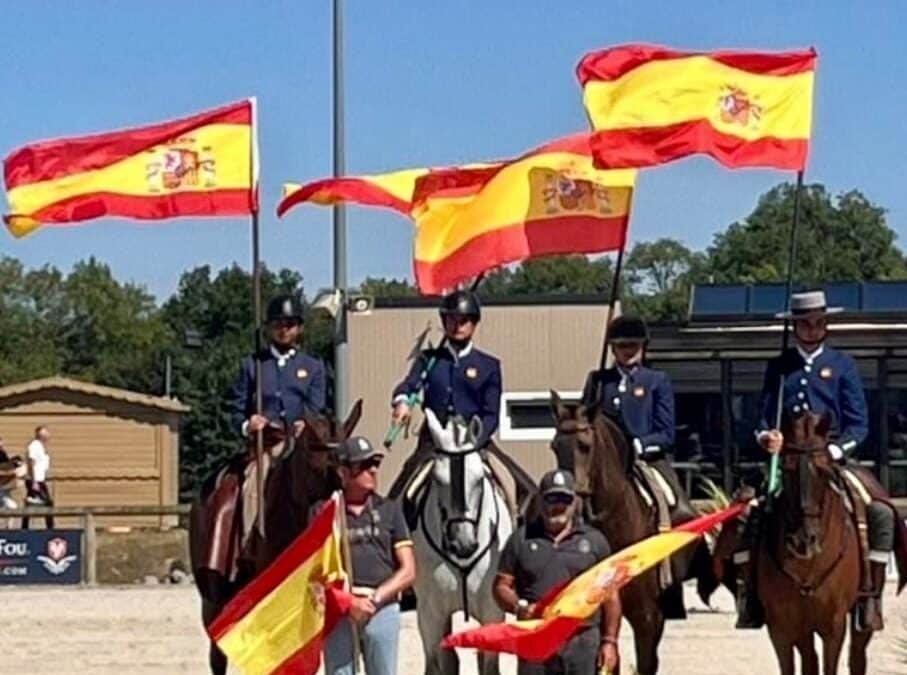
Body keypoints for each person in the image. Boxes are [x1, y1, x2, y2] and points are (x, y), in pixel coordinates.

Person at [735, 289, 895, 631]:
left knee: (880, 511)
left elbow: (859, 423)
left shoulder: (842, 366)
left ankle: (869, 594)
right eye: (804, 324)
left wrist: (837, 450)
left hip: (833, 457)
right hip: (789, 459)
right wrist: (767, 437)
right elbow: (763, 418)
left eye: (817, 323)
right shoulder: (779, 367)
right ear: (795, 327)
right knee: (748, 512)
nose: (811, 329)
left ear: (826, 325)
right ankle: (749, 594)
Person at [494, 469, 621, 675]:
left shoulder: (596, 541)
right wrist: (519, 607)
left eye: (564, 498)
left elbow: (611, 596)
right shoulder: (521, 539)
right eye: (551, 498)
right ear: (541, 502)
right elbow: (501, 586)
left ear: (575, 502)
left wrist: (610, 641)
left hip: (582, 640)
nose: (558, 506)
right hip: (535, 638)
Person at [388, 290, 502, 498]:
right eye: (452, 319)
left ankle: (514, 518)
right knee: (402, 491)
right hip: (434, 442)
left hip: (475, 441)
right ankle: (392, 522)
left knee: (510, 483)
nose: (457, 325)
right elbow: (409, 386)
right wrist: (402, 402)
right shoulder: (429, 359)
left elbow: (491, 414)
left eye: (464, 320)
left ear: (474, 324)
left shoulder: (489, 366)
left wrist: (476, 439)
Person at [322, 436, 415, 675]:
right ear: (343, 472)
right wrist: (350, 602)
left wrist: (375, 599)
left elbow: (408, 570)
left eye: (375, 464)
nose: (372, 470)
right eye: (362, 466)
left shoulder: (391, 509)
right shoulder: (324, 512)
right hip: (340, 610)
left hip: (382, 607)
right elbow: (316, 572)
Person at [580, 315, 688, 522]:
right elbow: (585, 422)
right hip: (604, 462)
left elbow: (666, 434)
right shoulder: (598, 381)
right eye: (622, 346)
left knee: (677, 504)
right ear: (613, 349)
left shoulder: (657, 380)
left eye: (634, 345)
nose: (628, 350)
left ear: (643, 347)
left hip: (645, 459)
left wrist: (639, 444)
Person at [230, 293, 326, 439]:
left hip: (301, 443)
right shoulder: (252, 365)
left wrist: (307, 423)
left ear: (300, 328)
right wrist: (248, 425)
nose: (284, 330)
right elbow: (236, 410)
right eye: (278, 324)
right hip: (264, 442)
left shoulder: (313, 367)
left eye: (290, 324)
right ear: (268, 328)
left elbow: (317, 408)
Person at [22, 426, 54, 529]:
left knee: (31, 505)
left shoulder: (41, 447)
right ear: (39, 434)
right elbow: (31, 463)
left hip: (40, 479)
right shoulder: (34, 446)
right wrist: (34, 481)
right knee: (48, 503)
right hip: (36, 480)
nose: (48, 435)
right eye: (45, 433)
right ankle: (50, 529)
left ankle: (25, 527)